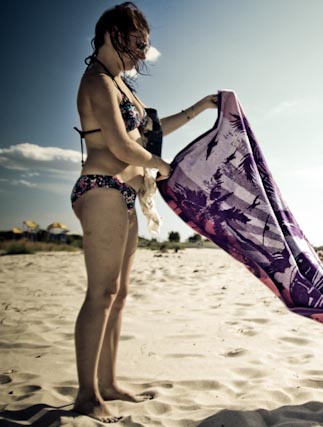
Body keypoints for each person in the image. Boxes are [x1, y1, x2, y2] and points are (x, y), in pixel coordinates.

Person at [70, 3, 217, 422]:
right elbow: (120, 146)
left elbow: (149, 132)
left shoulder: (123, 86)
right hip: (101, 188)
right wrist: (164, 167)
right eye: (137, 43)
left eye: (144, 46)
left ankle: (108, 383)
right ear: (113, 33)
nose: (141, 53)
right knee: (101, 293)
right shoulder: (98, 81)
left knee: (117, 296)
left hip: (126, 195)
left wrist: (202, 107)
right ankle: (86, 395)